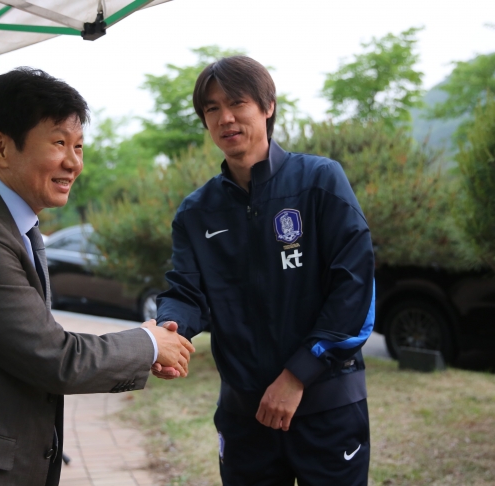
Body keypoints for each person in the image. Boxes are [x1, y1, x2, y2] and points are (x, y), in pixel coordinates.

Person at [0, 67, 195, 486]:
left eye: (79, 146)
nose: (74, 162)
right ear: (1, 147)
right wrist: (150, 343)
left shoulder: (14, 226)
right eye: (59, 143)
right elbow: (54, 357)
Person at [154, 56, 375, 485]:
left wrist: (296, 377)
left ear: (267, 106)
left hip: (326, 408)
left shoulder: (320, 181)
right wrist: (168, 329)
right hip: (245, 416)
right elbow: (187, 291)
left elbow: (355, 290)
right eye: (212, 108)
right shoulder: (196, 212)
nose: (226, 117)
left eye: (237, 102)